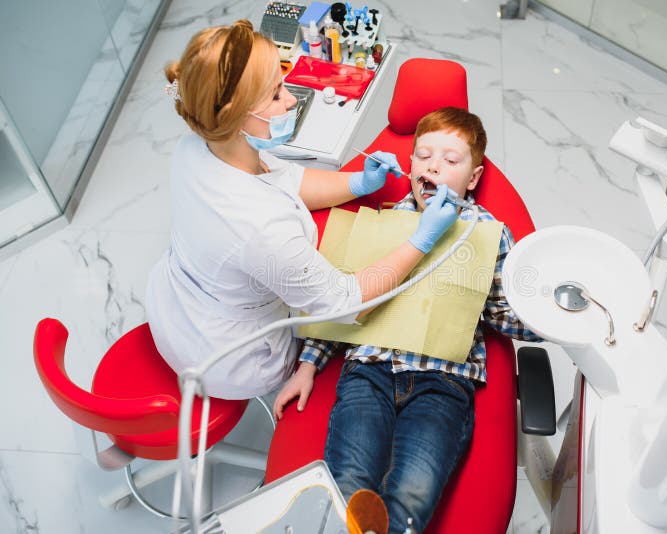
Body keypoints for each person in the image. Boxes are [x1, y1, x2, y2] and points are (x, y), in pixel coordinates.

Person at [145, 20, 459, 400]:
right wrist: (423, 240)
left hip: (176, 306)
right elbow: (347, 304)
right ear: (234, 115)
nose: (292, 98)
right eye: (277, 94)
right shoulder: (259, 228)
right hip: (231, 357)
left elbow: (287, 180)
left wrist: (358, 182)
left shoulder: (202, 144)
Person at [273, 107, 542, 532]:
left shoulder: (487, 231)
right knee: (348, 484)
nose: (434, 165)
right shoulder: (382, 220)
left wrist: (552, 319)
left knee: (411, 497)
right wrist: (308, 365)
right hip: (368, 372)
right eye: (423, 156)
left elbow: (500, 314)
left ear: (473, 178)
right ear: (411, 165)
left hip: (444, 381)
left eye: (451, 161)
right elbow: (342, 304)